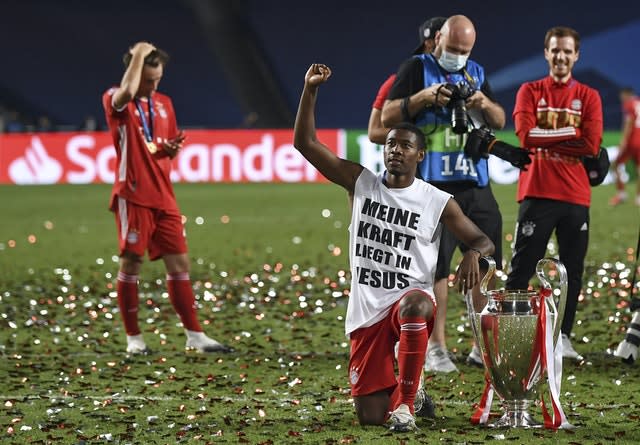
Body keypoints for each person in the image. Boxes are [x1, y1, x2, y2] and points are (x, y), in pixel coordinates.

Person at [294, 63, 494, 431]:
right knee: (370, 419)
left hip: (409, 303)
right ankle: (413, 392)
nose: (396, 151)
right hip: (367, 311)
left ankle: (405, 405)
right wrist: (310, 90)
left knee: (416, 302)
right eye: (390, 144)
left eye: (405, 146)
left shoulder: (436, 201)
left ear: (420, 155)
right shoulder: (360, 182)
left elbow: (483, 240)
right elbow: (305, 144)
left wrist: (472, 253)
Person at [381, 15, 513, 373]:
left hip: (476, 183)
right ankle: (436, 347)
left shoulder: (477, 73)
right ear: (438, 38)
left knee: (486, 265)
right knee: (435, 270)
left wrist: (482, 104)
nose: (458, 56)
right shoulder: (415, 68)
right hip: (434, 186)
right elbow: (387, 117)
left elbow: (500, 120)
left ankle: (480, 346)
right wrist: (424, 98)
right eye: (452, 49)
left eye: (464, 51)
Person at [102, 41, 232, 355]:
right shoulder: (116, 99)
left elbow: (158, 145)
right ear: (133, 72)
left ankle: (195, 335)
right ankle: (135, 339)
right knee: (131, 262)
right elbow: (127, 94)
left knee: (179, 263)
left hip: (164, 195)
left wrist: (168, 150)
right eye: (148, 80)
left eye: (158, 79)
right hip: (133, 195)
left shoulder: (164, 104)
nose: (153, 86)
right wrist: (137, 54)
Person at [505, 26, 603, 360]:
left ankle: (561, 337)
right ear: (546, 53)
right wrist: (572, 132)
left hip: (576, 197)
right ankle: (514, 335)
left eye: (567, 51)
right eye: (555, 50)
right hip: (537, 192)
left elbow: (591, 144)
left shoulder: (589, 96)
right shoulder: (529, 91)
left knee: (572, 271)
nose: (561, 56)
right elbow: (524, 136)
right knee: (522, 267)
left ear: (576, 56)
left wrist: (546, 133)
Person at [368, 16, 446, 145]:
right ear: (430, 43)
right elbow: (374, 133)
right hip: (415, 161)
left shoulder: (460, 80)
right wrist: (419, 138)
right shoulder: (396, 82)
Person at [610, 87, 640, 206]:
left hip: (632, 140)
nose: (621, 99)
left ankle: (621, 194)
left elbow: (629, 121)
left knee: (615, 165)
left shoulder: (629, 104)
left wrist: (623, 140)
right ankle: (639, 198)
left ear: (626, 94)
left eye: (622, 96)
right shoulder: (638, 102)